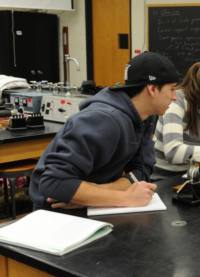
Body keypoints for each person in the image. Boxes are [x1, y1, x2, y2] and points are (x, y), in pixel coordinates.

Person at [29, 52, 179, 211]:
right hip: (57, 211)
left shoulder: (145, 116)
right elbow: (52, 183)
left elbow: (142, 170)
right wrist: (125, 197)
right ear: (153, 89)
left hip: (94, 204)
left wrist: (103, 192)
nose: (175, 97)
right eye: (172, 89)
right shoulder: (105, 121)